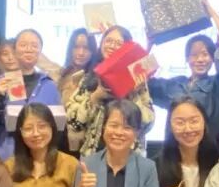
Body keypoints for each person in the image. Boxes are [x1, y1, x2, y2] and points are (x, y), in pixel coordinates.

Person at [148, 0, 219, 146]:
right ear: (187, 59)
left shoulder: (218, 85)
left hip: (207, 153)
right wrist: (148, 44)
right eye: (194, 55)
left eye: (205, 54)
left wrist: (212, 11)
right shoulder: (174, 84)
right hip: (174, 153)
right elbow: (140, 81)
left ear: (213, 58)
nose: (200, 59)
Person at [65, 26, 155, 157]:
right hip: (93, 156)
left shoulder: (138, 82)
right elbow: (73, 122)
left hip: (129, 158)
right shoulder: (88, 78)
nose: (112, 46)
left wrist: (132, 94)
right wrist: (95, 97)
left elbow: (148, 125)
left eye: (118, 43)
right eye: (108, 41)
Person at [0, 29, 62, 161]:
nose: (29, 49)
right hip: (7, 156)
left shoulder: (49, 85)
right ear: (15, 50)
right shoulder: (3, 81)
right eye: (23, 45)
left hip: (40, 158)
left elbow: (58, 125)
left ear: (40, 51)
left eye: (34, 46)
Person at [57, 28, 98, 154]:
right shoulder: (61, 75)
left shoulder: (96, 79)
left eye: (86, 48)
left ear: (93, 51)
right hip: (59, 142)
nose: (81, 53)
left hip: (85, 146)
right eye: (76, 47)